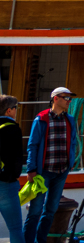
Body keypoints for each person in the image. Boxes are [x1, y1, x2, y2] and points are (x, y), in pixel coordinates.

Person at [24, 87, 78, 243]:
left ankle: (41, 240)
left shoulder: (70, 120)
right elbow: (32, 145)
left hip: (61, 171)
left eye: (70, 98)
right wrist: (31, 169)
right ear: (56, 99)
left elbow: (73, 142)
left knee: (51, 210)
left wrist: (71, 162)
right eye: (66, 98)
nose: (69, 101)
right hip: (43, 172)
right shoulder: (41, 119)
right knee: (35, 211)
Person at [0, 96, 25, 243]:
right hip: (6, 183)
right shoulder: (12, 128)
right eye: (16, 108)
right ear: (9, 110)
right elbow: (16, 158)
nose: (16, 111)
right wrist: (15, 177)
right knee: (15, 228)